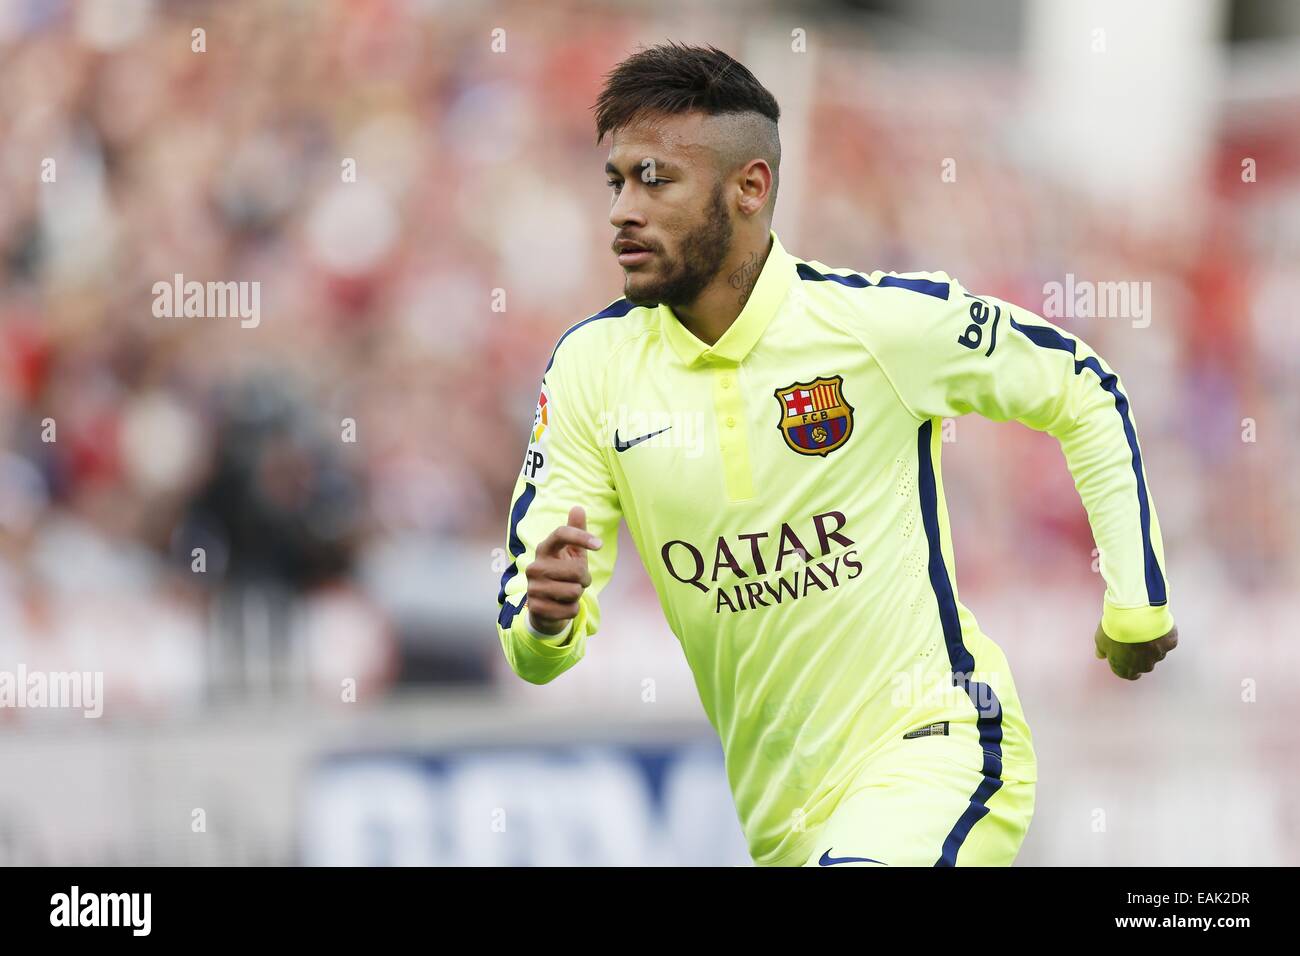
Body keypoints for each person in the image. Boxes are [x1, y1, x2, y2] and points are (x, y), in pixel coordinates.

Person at [495, 41, 1177, 866]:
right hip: (785, 827)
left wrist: (1137, 601)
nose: (622, 210)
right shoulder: (588, 373)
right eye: (617, 181)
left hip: (939, 747)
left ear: (751, 187)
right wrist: (547, 618)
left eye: (656, 180)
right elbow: (532, 652)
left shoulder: (878, 327)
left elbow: (1083, 389)